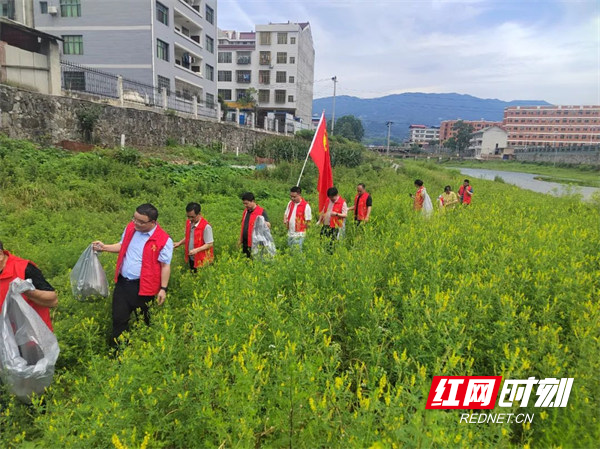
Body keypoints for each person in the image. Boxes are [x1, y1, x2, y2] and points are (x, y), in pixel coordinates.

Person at [92, 203, 173, 345]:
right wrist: (104, 247)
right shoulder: (131, 228)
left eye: (141, 221)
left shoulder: (164, 240)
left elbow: (165, 265)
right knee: (119, 319)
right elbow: (122, 245)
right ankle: (119, 353)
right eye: (134, 219)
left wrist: (163, 289)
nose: (135, 223)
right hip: (123, 284)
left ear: (153, 222)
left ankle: (147, 349)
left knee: (146, 320)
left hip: (144, 287)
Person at [0, 240, 58, 331]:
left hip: (32, 336)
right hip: (6, 336)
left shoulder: (24, 269)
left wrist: (29, 292)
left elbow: (53, 300)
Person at [174, 202, 214, 272]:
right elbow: (188, 237)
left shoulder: (206, 227)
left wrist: (196, 250)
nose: (190, 219)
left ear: (199, 214)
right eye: (188, 216)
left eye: (192, 217)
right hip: (192, 258)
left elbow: (210, 244)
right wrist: (179, 243)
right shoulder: (189, 223)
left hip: (202, 260)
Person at [239, 192, 270, 258]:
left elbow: (268, 225)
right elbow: (243, 226)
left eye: (246, 203)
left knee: (255, 260)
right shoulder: (245, 211)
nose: (245, 205)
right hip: (245, 242)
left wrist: (266, 224)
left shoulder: (261, 211)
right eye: (244, 203)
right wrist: (240, 240)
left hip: (256, 243)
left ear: (253, 201)